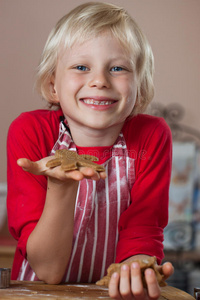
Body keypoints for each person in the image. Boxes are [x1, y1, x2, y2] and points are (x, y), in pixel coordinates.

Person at [7, 2, 174, 299]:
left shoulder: (152, 136)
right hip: (35, 291)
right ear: (53, 84)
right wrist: (60, 185)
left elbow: (144, 225)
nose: (99, 81)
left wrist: (134, 268)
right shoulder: (30, 132)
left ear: (140, 86)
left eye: (118, 68)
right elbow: (48, 270)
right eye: (81, 67)